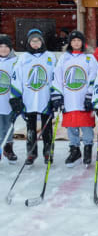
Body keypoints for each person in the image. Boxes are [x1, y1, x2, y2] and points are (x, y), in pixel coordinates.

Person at [51, 30, 98, 167]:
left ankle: (88, 148)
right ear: (70, 43)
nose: (76, 43)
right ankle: (74, 150)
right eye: (73, 41)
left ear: (83, 42)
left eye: (79, 40)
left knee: (86, 126)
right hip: (69, 98)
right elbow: (58, 78)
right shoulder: (64, 58)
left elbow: (94, 77)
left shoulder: (89, 58)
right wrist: (57, 95)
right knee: (71, 125)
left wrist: (90, 95)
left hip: (83, 98)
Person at [10, 29, 57, 166]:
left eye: (38, 41)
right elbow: (16, 78)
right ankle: (31, 153)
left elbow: (56, 78)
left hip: (45, 98)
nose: (35, 44)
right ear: (29, 43)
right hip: (28, 98)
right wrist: (16, 97)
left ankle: (48, 152)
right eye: (33, 41)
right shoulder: (23, 58)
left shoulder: (50, 57)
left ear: (41, 42)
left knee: (47, 128)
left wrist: (55, 96)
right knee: (30, 128)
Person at [0, 35, 18, 164]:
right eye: (1, 46)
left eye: (6, 46)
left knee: (9, 125)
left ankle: (8, 148)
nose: (3, 49)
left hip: (9, 99)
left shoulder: (16, 62)